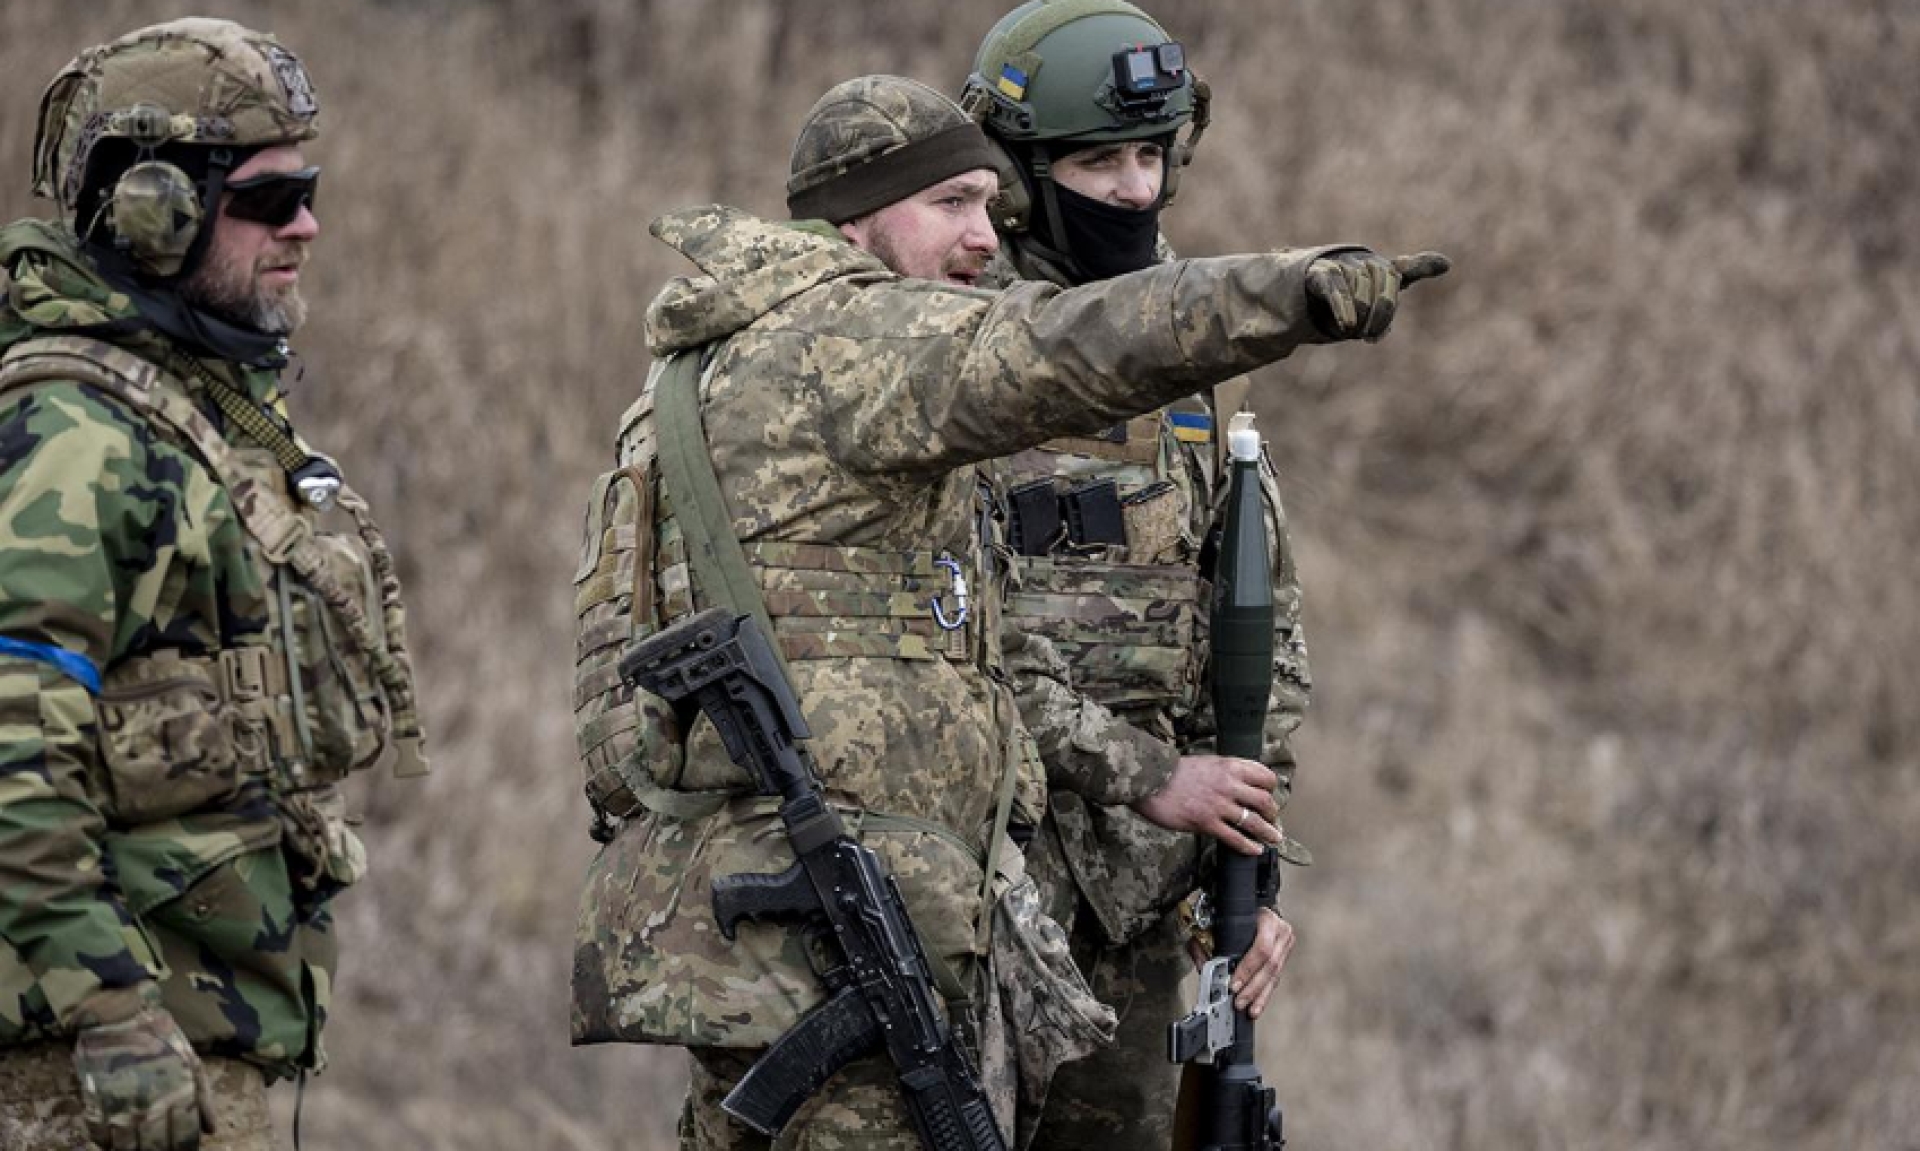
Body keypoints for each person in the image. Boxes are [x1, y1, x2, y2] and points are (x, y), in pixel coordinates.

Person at [568, 74, 1444, 1149]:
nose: (986, 239)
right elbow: (1073, 346)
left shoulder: (692, 379)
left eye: (992, 203)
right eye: (952, 205)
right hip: (842, 931)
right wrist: (1292, 293)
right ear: (856, 221)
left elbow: (615, 723)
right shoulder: (854, 349)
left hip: (759, 927)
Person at [0, 20, 429, 1151]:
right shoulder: (73, 442)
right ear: (153, 211)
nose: (307, 226)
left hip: (185, 1056)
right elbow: (14, 759)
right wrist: (110, 1016)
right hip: (89, 1080)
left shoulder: (186, 418)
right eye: (271, 198)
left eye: (312, 190)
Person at [957, 2, 1320, 1144]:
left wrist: (1250, 892)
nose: (1131, 186)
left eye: (1149, 154)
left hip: (1144, 916)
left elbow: (1263, 643)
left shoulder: (1189, 347)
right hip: (975, 882)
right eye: (1095, 158)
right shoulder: (944, 347)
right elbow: (935, 641)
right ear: (1019, 174)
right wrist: (1150, 770)